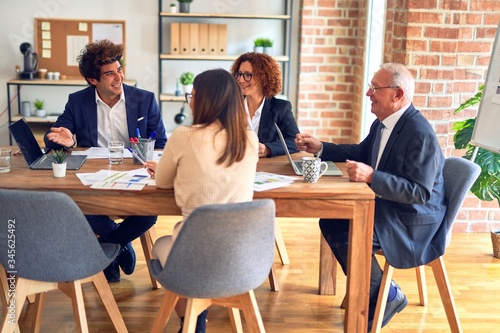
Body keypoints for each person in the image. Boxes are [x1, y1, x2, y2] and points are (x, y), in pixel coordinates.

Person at [295, 63, 447, 330]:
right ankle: (382, 291)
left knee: (351, 230)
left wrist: (371, 177)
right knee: (331, 220)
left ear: (398, 94)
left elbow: (420, 192)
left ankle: (381, 294)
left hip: (412, 220)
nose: (368, 93)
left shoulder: (419, 133)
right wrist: (321, 147)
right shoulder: (383, 124)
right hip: (391, 207)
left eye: (375, 88)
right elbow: (362, 152)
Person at [144, 68, 259, 333]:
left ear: (204, 100)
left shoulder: (184, 136)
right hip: (242, 257)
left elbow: (162, 182)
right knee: (179, 249)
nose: (190, 100)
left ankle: (193, 322)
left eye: (192, 95)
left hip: (193, 256)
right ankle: (196, 319)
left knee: (160, 246)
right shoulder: (249, 139)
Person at [44, 39, 168, 283]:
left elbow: (161, 143)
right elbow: (55, 136)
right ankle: (119, 244)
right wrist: (66, 142)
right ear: (93, 80)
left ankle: (108, 248)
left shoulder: (145, 99)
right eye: (109, 73)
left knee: (149, 213)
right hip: (94, 179)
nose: (118, 77)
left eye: (119, 69)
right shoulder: (77, 101)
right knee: (77, 205)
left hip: (137, 174)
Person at [230, 52, 299, 158]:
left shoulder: (280, 107)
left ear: (263, 78)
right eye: (239, 74)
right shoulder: (230, 105)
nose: (240, 79)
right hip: (235, 166)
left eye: (248, 75)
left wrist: (267, 149)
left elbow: (295, 142)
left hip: (266, 168)